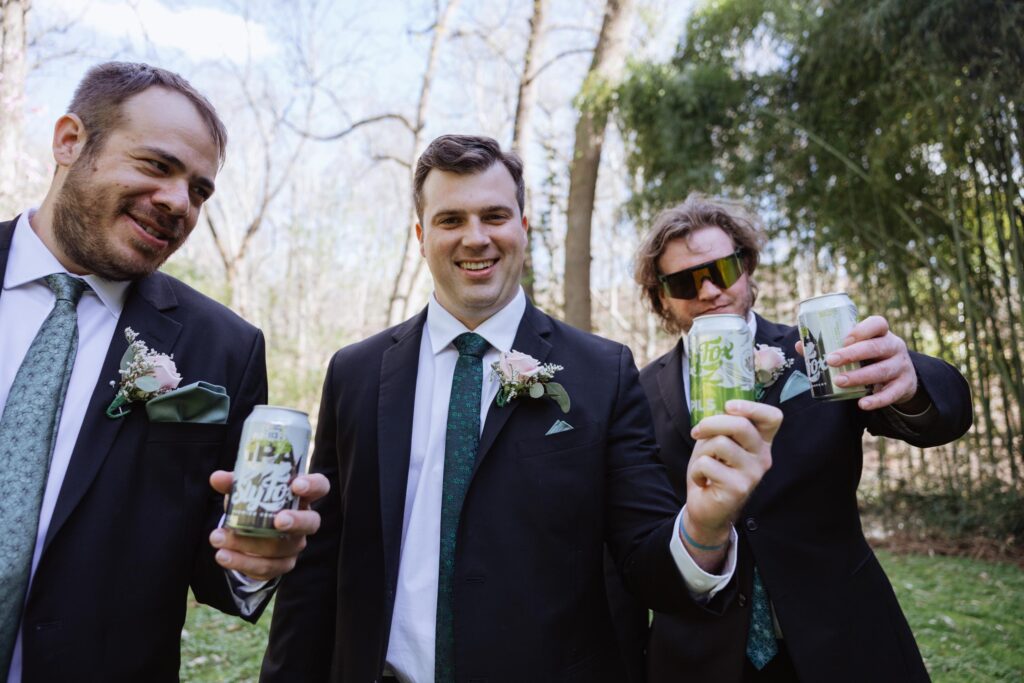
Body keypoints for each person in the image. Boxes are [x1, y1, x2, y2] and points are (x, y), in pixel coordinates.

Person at [261, 135, 782, 683]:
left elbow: (643, 562)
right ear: (421, 236)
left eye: (494, 215)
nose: (476, 238)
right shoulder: (357, 372)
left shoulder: (602, 372)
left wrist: (703, 527)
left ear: (523, 228)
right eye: (450, 220)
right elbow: (318, 565)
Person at [0, 62, 327, 683]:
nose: (180, 202)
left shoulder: (224, 348)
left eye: (200, 190)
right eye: (157, 165)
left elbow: (219, 556)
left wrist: (254, 558)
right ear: (70, 141)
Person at [627, 193, 972, 682]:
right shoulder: (637, 392)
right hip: (702, 656)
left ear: (746, 267)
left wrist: (911, 380)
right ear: (661, 296)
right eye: (684, 281)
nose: (707, 291)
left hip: (845, 637)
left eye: (721, 270)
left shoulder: (819, 349)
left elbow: (946, 416)